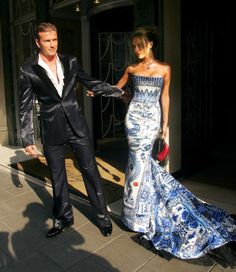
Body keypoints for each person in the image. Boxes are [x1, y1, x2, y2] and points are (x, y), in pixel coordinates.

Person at [89, 27, 236, 262]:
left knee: (142, 162)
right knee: (137, 161)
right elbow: (117, 89)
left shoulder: (165, 68)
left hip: (151, 120)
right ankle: (136, 213)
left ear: (151, 44)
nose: (136, 49)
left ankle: (140, 212)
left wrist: (165, 126)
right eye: (133, 45)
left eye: (140, 45)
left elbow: (165, 97)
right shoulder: (131, 69)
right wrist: (99, 90)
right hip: (134, 120)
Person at [19, 22, 122, 238]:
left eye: (55, 40)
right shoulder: (28, 70)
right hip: (52, 128)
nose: (52, 44)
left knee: (90, 171)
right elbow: (25, 106)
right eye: (47, 41)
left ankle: (102, 217)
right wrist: (27, 138)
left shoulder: (70, 60)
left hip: (77, 125)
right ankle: (63, 218)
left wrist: (117, 92)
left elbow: (89, 82)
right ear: (37, 42)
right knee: (58, 177)